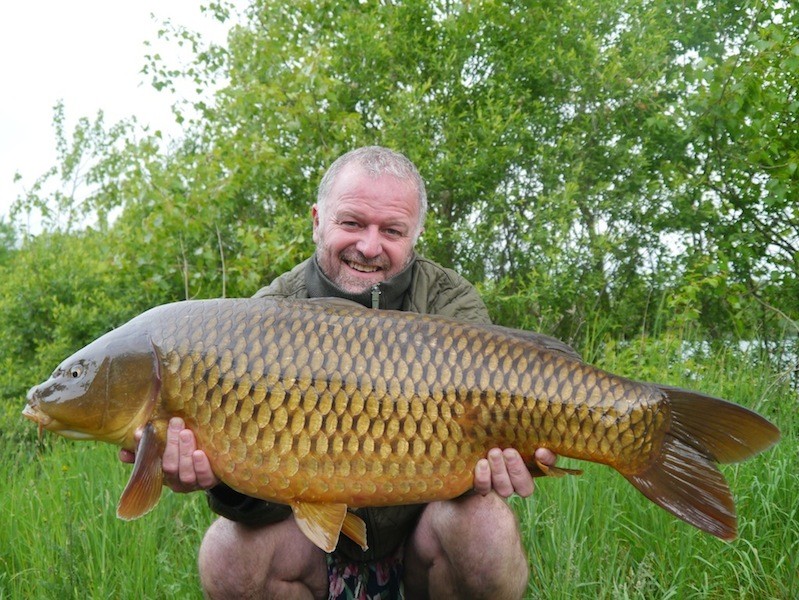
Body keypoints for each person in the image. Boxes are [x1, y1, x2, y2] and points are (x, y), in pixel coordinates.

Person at [121, 146, 557, 599]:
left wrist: (509, 464)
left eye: (392, 230)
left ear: (415, 235)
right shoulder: (264, 317)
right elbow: (258, 506)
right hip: (309, 552)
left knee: (486, 526)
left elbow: (486, 441)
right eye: (351, 223)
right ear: (317, 219)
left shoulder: (451, 304)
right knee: (228, 552)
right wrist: (224, 482)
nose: (369, 246)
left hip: (422, 548)